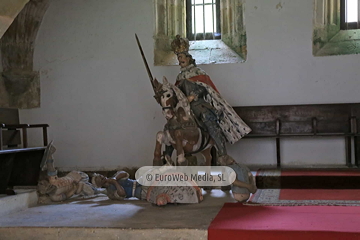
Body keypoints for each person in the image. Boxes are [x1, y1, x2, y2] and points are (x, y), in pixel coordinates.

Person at [170, 35, 252, 163]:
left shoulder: (198, 72)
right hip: (184, 106)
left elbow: (205, 88)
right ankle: (171, 153)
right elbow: (176, 93)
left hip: (198, 104)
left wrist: (193, 96)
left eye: (182, 57)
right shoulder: (180, 76)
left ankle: (222, 153)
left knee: (207, 118)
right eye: (178, 58)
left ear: (188, 58)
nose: (180, 60)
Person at [91, 171, 203, 206]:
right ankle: (185, 198)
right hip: (139, 192)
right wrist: (114, 182)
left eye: (99, 175)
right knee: (160, 192)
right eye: (98, 179)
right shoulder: (110, 192)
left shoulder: (115, 176)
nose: (101, 177)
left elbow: (125, 173)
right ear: (99, 185)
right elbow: (122, 194)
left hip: (141, 182)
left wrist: (114, 178)